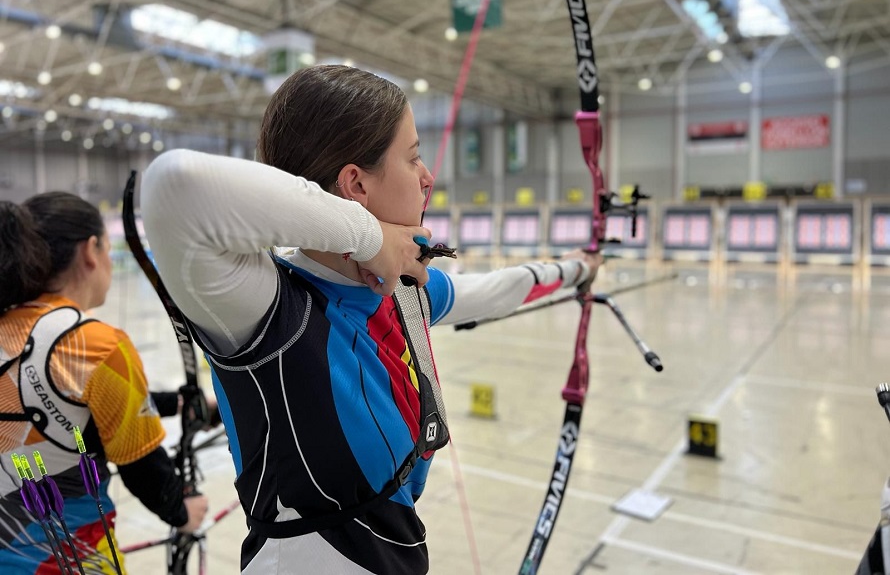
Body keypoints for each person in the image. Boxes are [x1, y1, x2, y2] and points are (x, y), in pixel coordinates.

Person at [140, 64, 602, 575]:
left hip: (397, 549)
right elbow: (174, 186)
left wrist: (575, 268)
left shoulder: (401, 290)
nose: (427, 176)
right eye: (413, 157)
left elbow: (490, 292)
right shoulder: (269, 305)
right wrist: (371, 238)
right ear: (356, 183)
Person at [0, 191, 209, 574]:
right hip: (68, 563)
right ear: (90, 250)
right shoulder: (95, 346)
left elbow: (68, 403)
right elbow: (141, 467)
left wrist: (178, 404)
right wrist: (183, 512)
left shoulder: (9, 331)